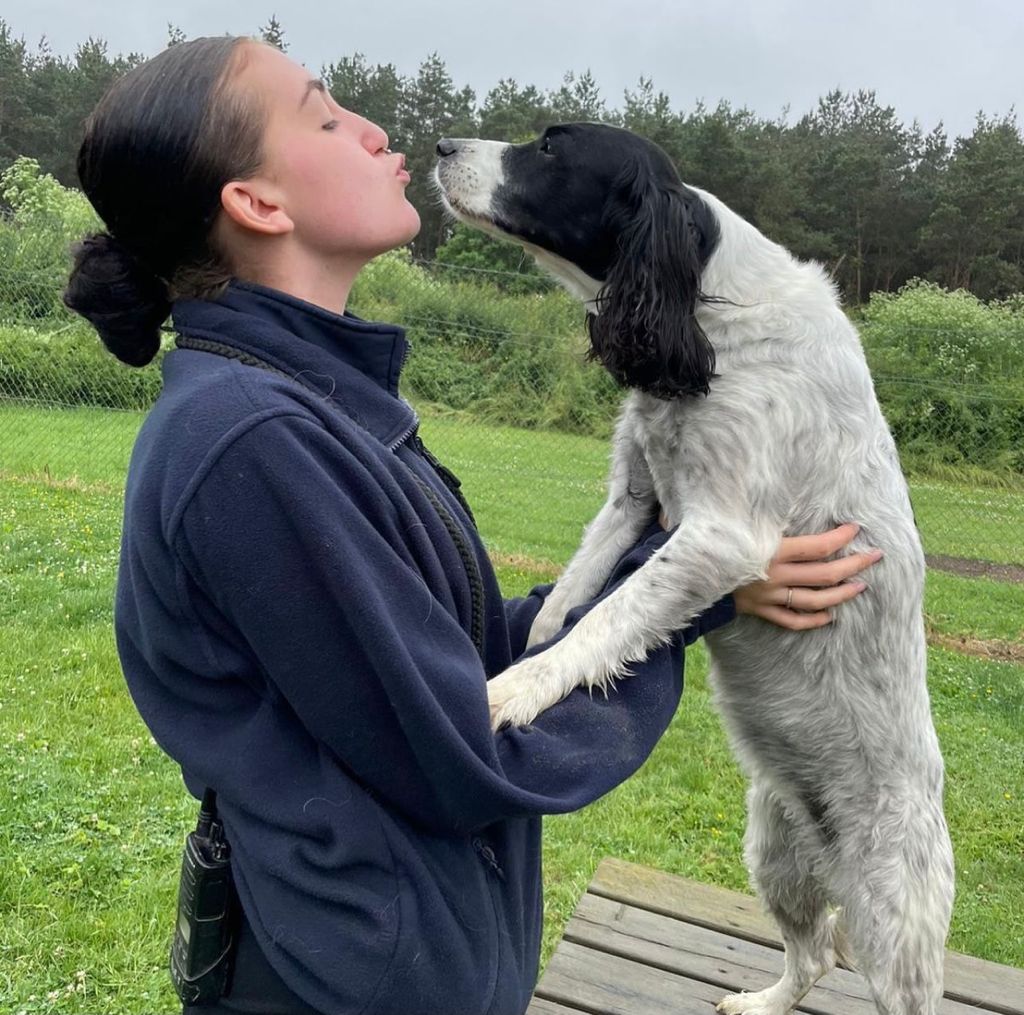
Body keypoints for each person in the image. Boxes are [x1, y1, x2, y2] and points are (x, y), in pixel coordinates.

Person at [63, 36, 880, 1015]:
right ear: (258, 204)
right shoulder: (254, 443)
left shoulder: (311, 404)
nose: (373, 130)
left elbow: (448, 659)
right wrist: (687, 593)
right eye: (325, 116)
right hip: (354, 989)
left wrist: (697, 580)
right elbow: (465, 746)